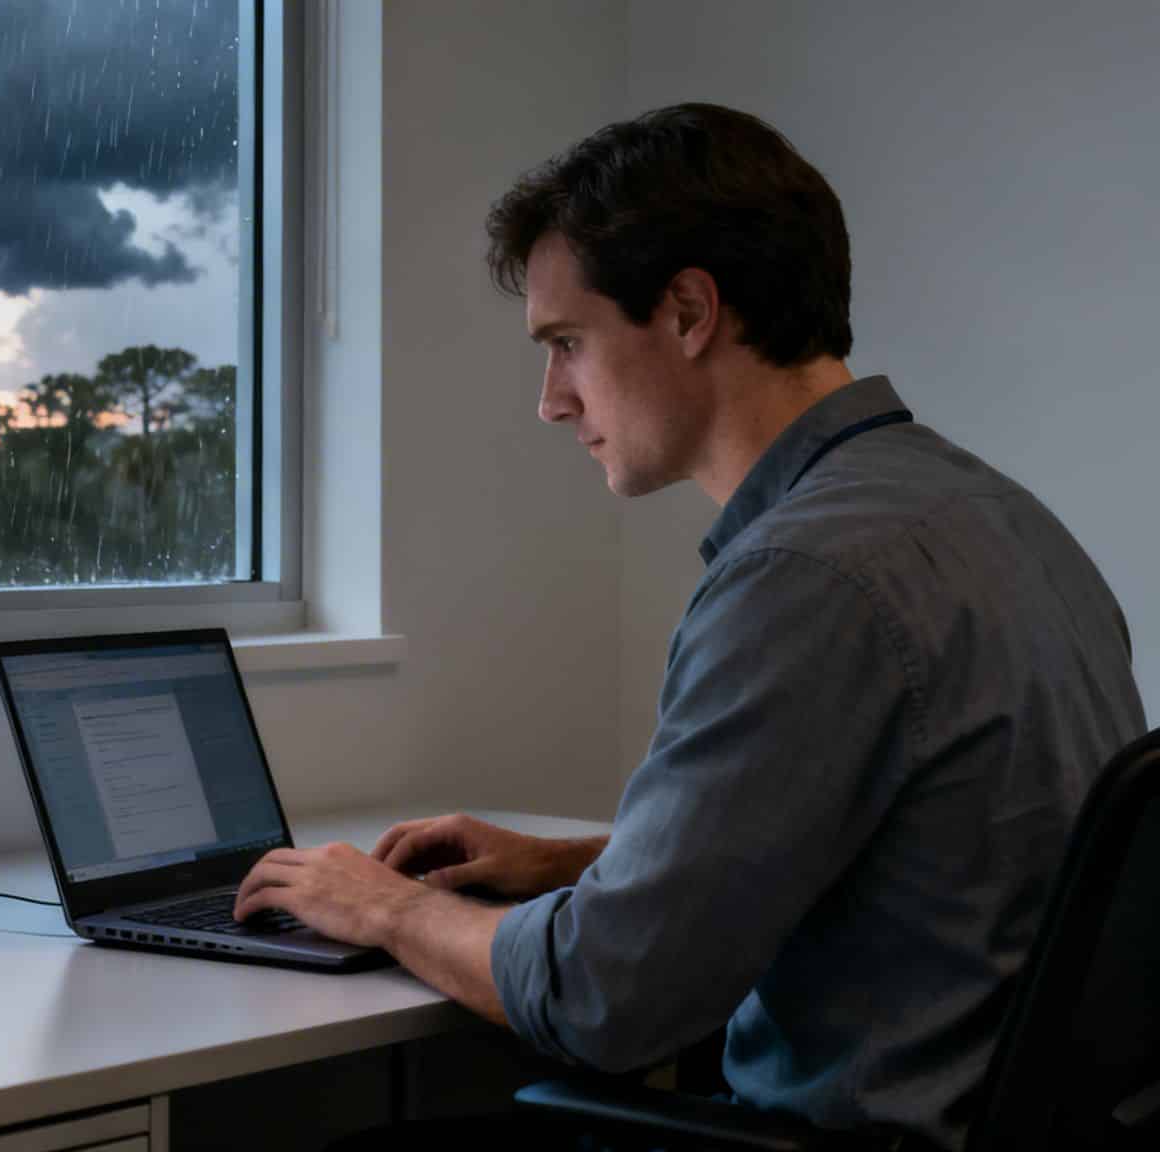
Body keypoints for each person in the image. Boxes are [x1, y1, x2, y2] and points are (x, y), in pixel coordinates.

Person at [233, 103, 1145, 1150]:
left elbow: (603, 1003)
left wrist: (384, 909)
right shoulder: (997, 519)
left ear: (686, 311)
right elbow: (907, 851)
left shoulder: (801, 580)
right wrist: (576, 866)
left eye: (566, 343)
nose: (550, 401)